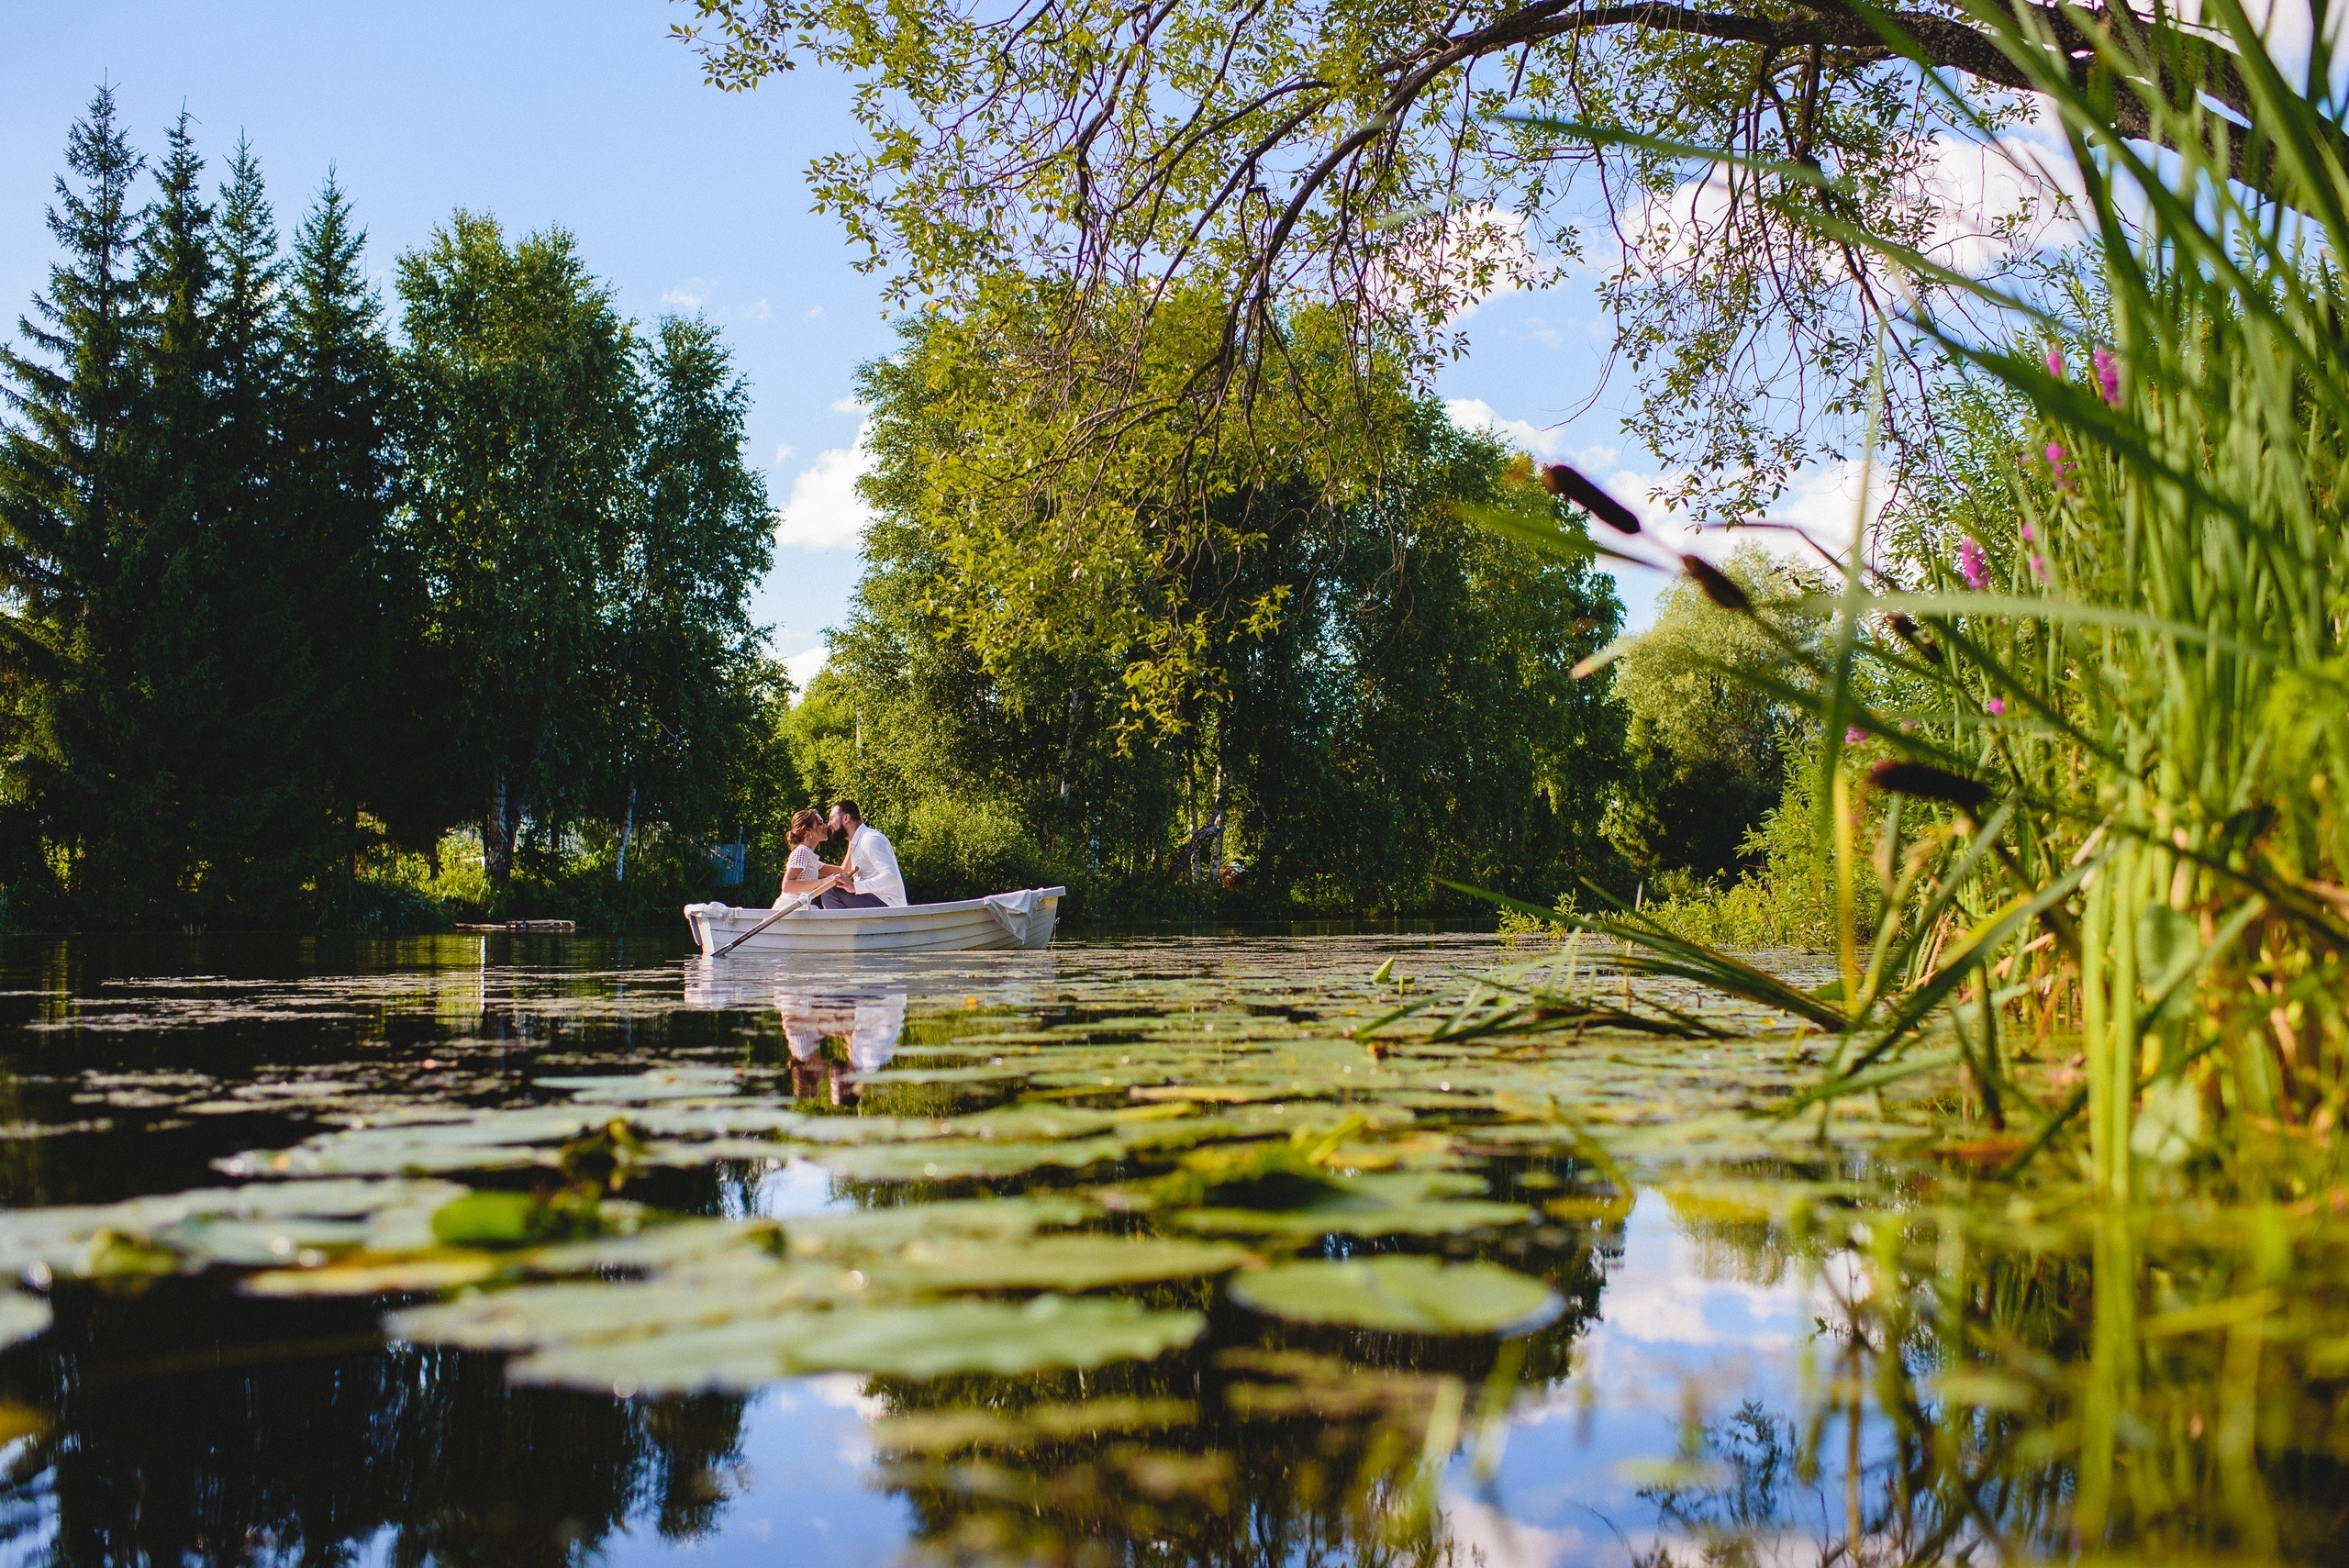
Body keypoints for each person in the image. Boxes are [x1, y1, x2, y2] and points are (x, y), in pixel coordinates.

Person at [816, 798, 907, 908]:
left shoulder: (870, 839)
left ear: (846, 818)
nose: (829, 824)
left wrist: (856, 887)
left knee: (830, 890)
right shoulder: (856, 842)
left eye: (832, 818)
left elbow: (891, 876)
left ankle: (839, 926)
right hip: (874, 901)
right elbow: (843, 869)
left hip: (887, 905)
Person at [775, 808, 850, 908]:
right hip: (790, 908)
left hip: (801, 907)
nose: (826, 826)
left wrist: (852, 839)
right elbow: (787, 885)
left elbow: (842, 870)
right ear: (808, 830)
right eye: (820, 823)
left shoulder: (810, 856)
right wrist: (823, 882)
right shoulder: (802, 852)